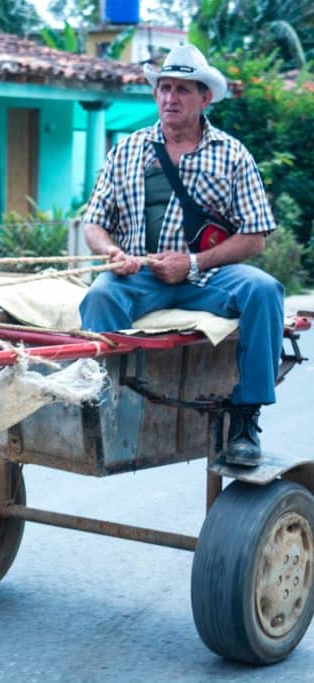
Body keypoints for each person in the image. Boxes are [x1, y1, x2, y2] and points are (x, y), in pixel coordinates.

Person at [78, 44, 283, 467]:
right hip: (141, 274)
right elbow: (93, 223)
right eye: (165, 88)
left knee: (264, 291)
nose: (171, 98)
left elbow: (255, 237)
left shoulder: (233, 155)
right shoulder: (126, 150)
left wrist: (192, 263)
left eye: (183, 90)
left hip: (208, 278)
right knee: (100, 296)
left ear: (204, 97)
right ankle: (104, 403)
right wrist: (113, 252)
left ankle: (245, 417)